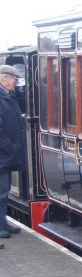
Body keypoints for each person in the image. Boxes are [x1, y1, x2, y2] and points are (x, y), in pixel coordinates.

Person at [0, 65, 25, 239]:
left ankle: (3, 224)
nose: (15, 83)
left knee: (4, 192)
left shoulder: (8, 97)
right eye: (14, 80)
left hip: (6, 156)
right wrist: (10, 147)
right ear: (4, 78)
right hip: (2, 155)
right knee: (0, 192)